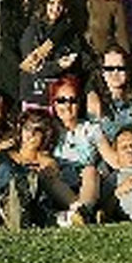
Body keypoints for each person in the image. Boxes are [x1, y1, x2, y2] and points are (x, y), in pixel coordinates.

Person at [0, 109, 76, 225]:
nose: (31, 134)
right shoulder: (4, 155)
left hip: (29, 203)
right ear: (21, 129)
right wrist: (0, 147)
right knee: (8, 170)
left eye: (37, 130)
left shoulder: (46, 161)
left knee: (33, 180)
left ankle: (71, 213)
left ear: (46, 135)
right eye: (27, 128)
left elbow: (51, 172)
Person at [49, 76, 107, 226]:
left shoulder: (91, 129)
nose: (67, 105)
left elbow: (112, 158)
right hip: (59, 186)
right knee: (47, 173)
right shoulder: (48, 130)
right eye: (61, 100)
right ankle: (83, 214)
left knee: (90, 170)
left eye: (72, 100)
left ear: (79, 103)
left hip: (87, 186)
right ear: (53, 103)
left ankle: (81, 212)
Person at [18, 0, 80, 110]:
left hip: (61, 100)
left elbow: (75, 54)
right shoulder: (32, 31)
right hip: (35, 99)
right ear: (43, 3)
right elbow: (31, 67)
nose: (56, 8)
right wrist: (58, 66)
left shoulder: (68, 30)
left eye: (60, 3)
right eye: (51, 3)